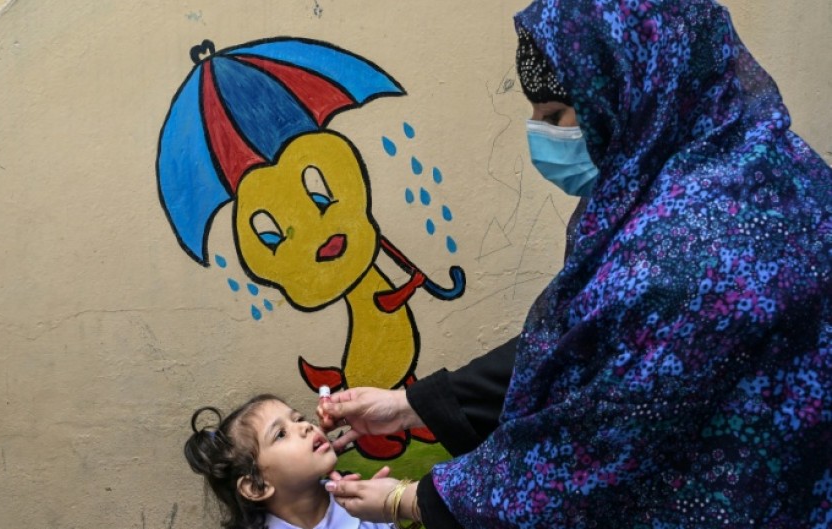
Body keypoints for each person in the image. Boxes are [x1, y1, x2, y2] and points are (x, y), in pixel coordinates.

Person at [319, 0, 832, 527]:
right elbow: (597, 340)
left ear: (629, 93)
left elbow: (584, 453)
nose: (539, 134)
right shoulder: (773, 171)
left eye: (557, 115)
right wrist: (412, 406)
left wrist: (412, 500)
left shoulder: (679, 263)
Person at [183, 394, 396, 529]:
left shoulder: (364, 509)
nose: (305, 427)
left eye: (298, 419)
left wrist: (391, 509)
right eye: (281, 434)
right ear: (257, 486)